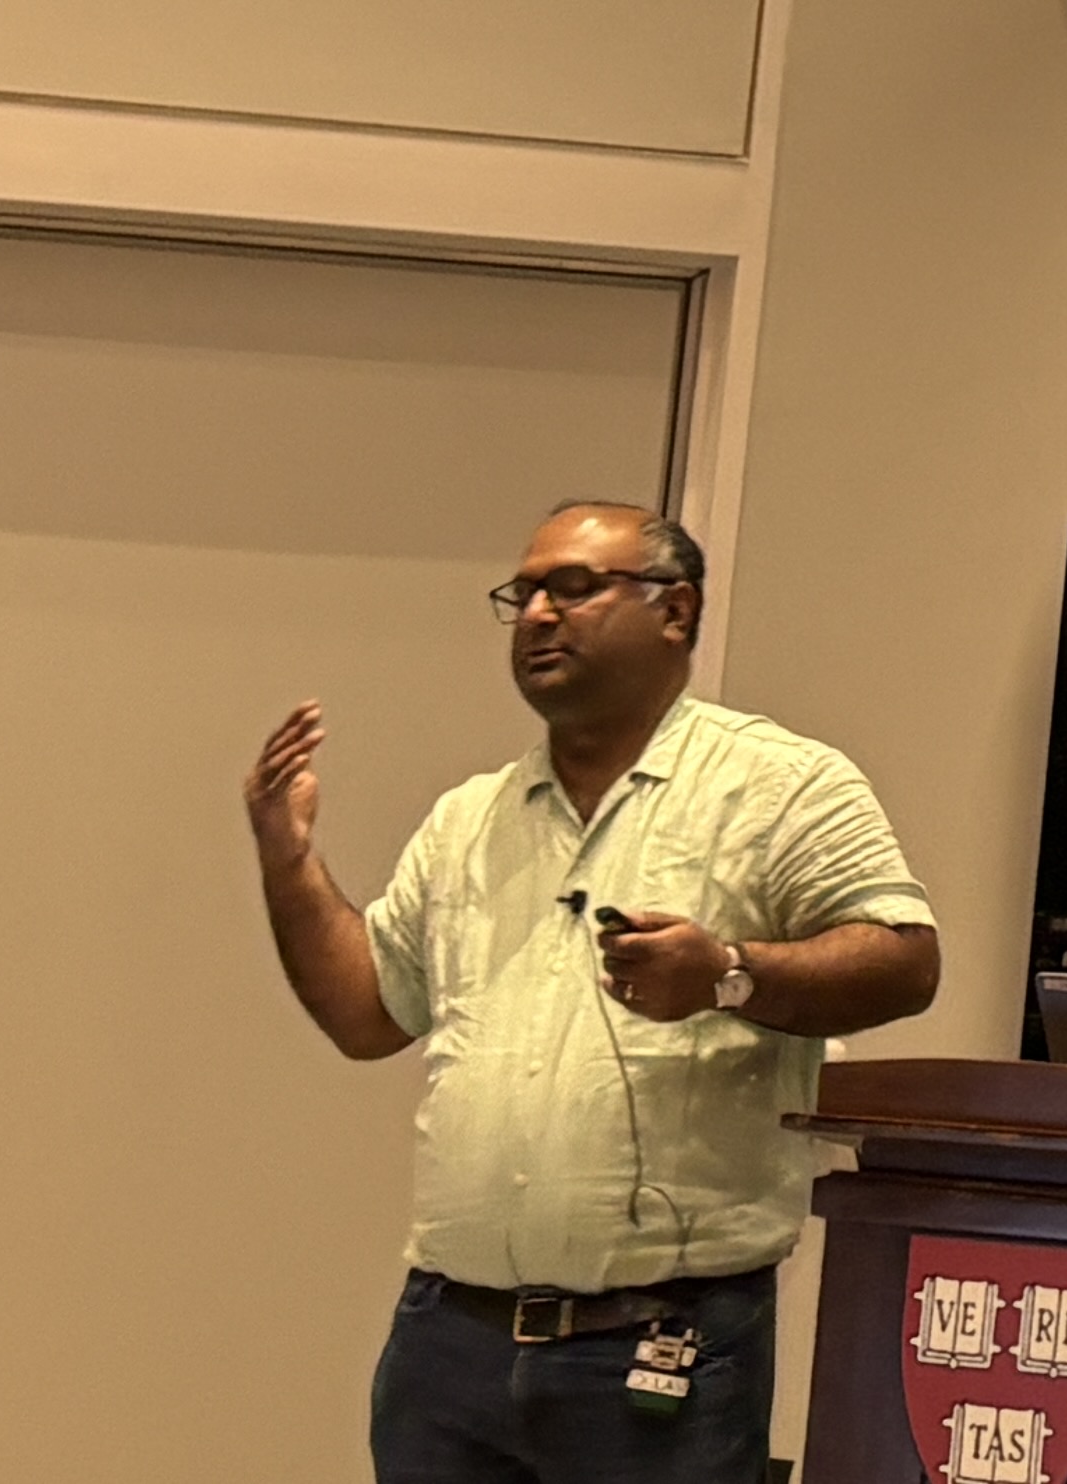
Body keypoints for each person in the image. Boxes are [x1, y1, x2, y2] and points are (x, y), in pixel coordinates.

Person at [244, 501, 945, 1480]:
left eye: (573, 588)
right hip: (450, 1338)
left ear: (676, 611)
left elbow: (905, 959)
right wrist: (288, 861)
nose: (537, 614)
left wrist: (730, 972)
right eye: (524, 593)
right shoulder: (469, 820)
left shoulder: (779, 785)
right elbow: (365, 1014)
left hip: (662, 1341)